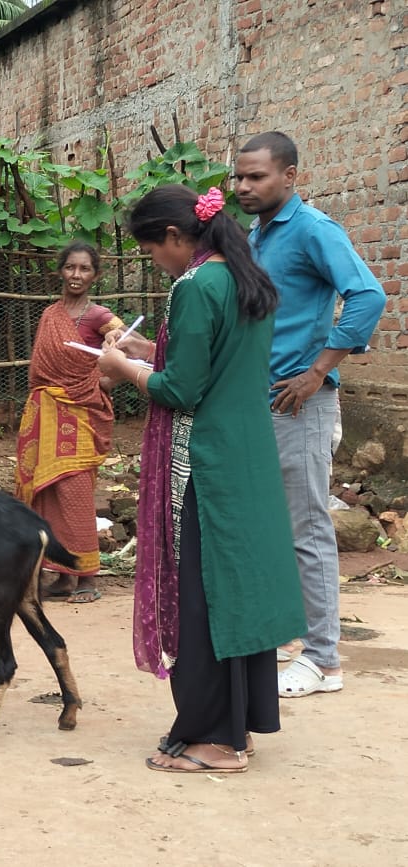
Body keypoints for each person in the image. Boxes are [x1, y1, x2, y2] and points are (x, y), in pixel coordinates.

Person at [99, 185, 305, 772]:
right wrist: (149, 350)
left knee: (203, 595)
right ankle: (236, 726)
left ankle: (215, 741)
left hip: (204, 466)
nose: (155, 263)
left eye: (151, 251)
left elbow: (181, 389)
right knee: (236, 591)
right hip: (247, 457)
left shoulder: (193, 286)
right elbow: (213, 362)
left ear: (173, 236)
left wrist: (123, 368)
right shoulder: (244, 278)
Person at [234, 132, 385, 698]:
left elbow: (368, 295)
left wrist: (318, 370)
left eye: (257, 177)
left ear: (290, 176)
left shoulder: (314, 230)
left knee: (308, 530)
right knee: (273, 527)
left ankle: (324, 660)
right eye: (239, 177)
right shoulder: (257, 234)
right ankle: (291, 637)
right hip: (260, 401)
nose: (244, 186)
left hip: (301, 402)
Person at [15, 241, 123, 604]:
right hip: (45, 415)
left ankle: (87, 577)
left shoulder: (98, 316)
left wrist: (111, 349)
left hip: (80, 417)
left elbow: (123, 339)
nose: (76, 275)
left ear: (95, 275)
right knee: (46, 498)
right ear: (61, 270)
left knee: (74, 496)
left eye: (85, 269)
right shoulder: (50, 315)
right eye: (71, 268)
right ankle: (61, 574)